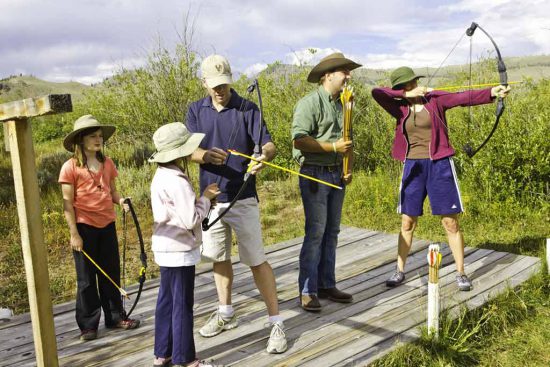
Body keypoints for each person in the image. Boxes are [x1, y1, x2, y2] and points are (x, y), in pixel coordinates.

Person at [371, 66, 511, 291]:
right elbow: (377, 92)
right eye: (408, 84)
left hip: (439, 164)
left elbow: (462, 97)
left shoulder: (434, 99)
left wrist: (492, 92)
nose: (413, 86)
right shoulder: (398, 106)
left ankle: (461, 272)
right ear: (401, 87)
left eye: (414, 82)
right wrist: (406, 96)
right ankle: (399, 271)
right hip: (412, 166)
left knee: (450, 222)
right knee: (407, 221)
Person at [186, 54, 287, 354]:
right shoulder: (195, 110)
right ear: (204, 83)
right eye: (214, 85)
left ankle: (276, 322)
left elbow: (269, 144)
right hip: (211, 200)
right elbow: (187, 149)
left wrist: (263, 156)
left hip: (242, 198)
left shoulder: (247, 108)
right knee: (219, 258)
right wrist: (204, 156)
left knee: (257, 260)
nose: (220, 90)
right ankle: (226, 313)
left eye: (225, 84)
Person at [59, 115, 140, 341]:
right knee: (86, 279)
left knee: (111, 273)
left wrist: (121, 201)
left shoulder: (107, 162)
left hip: (107, 224)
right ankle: (88, 325)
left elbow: (112, 191)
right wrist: (74, 234)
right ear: (81, 140)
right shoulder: (70, 167)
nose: (98, 140)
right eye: (93, 136)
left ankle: (115, 317)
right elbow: (67, 203)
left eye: (100, 136)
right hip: (84, 227)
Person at [291, 52, 362, 312]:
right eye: (344, 71)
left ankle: (326, 284)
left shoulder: (342, 104)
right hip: (315, 174)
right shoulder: (309, 103)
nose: (348, 76)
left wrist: (348, 167)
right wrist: (332, 147)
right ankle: (307, 290)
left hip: (336, 174)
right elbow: (299, 139)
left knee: (332, 232)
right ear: (328, 75)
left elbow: (348, 139)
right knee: (316, 232)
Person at [149, 122, 221, 367]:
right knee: (182, 305)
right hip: (179, 251)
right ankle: (186, 359)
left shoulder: (161, 175)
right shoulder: (177, 181)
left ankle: (163, 353)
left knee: (167, 301)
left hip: (165, 249)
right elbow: (190, 218)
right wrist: (206, 199)